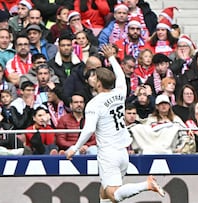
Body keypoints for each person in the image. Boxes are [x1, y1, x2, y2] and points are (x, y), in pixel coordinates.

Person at [66, 44, 165, 202]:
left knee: (114, 194)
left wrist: (74, 148)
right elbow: (120, 76)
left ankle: (146, 185)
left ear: (99, 83)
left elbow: (89, 129)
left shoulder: (94, 104)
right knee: (104, 194)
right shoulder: (120, 93)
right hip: (122, 153)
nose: (91, 78)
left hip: (108, 153)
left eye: (94, 77)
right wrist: (111, 57)